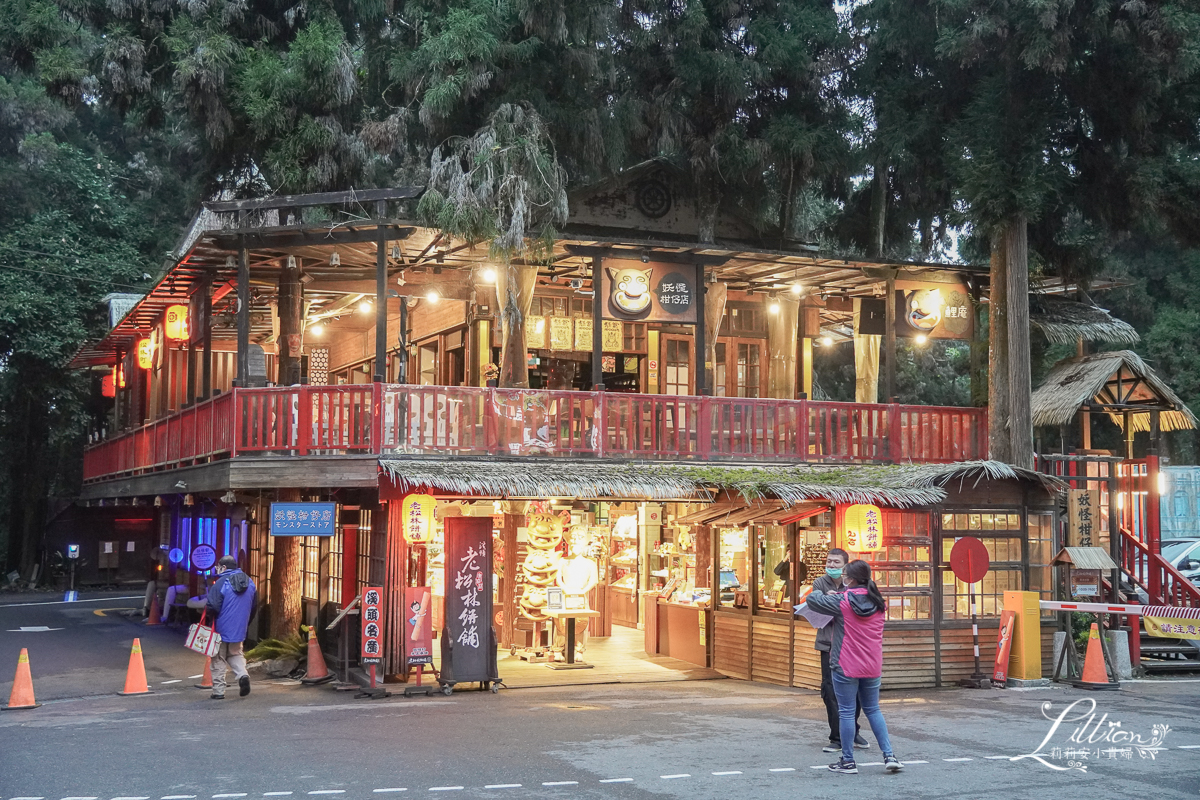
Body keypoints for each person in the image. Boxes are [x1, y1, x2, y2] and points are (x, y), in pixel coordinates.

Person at [807, 559, 903, 775]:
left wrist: (826, 595)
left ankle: (848, 761)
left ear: (849, 579)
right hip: (872, 664)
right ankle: (889, 755)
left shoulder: (843, 601)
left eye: (844, 574)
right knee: (873, 709)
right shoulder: (879, 603)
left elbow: (813, 600)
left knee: (847, 712)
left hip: (845, 664)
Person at [812, 548, 866, 753]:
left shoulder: (852, 584)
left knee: (856, 690)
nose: (831, 565)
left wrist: (834, 602)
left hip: (850, 644)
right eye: (829, 561)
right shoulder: (819, 583)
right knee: (830, 690)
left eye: (836, 562)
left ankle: (853, 731)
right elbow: (818, 607)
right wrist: (830, 602)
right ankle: (836, 737)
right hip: (827, 643)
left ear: (845, 566)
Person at [205, 555, 258, 700]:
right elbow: (254, 606)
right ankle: (243, 675)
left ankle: (218, 691)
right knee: (235, 653)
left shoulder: (221, 582)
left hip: (221, 627)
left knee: (218, 657)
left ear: (224, 567)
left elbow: (212, 605)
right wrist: (245, 623)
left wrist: (210, 620)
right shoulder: (250, 582)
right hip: (239, 627)